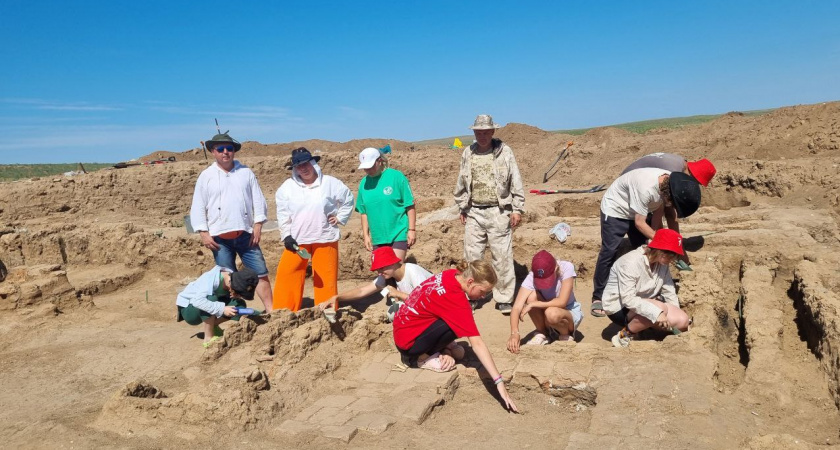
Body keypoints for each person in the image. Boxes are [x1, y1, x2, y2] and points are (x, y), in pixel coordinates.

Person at [392, 260, 518, 412]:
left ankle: (443, 350)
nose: (483, 296)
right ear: (470, 282)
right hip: (409, 345)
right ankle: (422, 358)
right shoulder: (457, 300)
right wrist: (498, 382)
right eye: (483, 291)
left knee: (456, 322)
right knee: (460, 321)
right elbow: (477, 344)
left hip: (403, 328)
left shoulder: (451, 274)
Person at [590, 167, 700, 317]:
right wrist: (664, 243)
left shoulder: (668, 184)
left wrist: (655, 241)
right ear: (668, 196)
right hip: (616, 209)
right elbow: (640, 223)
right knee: (610, 251)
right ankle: (598, 296)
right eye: (672, 204)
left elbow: (657, 216)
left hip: (637, 210)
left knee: (646, 252)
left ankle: (644, 292)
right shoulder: (646, 188)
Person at [189, 132, 273, 313]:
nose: (225, 152)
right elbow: (198, 205)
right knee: (227, 279)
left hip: (246, 235)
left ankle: (270, 309)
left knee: (260, 273)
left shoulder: (245, 173)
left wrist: (258, 224)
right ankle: (231, 313)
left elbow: (258, 200)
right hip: (219, 240)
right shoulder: (206, 176)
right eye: (221, 149)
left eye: (229, 148)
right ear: (213, 151)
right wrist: (203, 232)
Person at [453, 114, 525, 315]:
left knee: (501, 257)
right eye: (478, 132)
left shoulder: (505, 152)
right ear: (474, 133)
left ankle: (503, 297)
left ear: (493, 131)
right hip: (474, 211)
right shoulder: (468, 152)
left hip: (499, 211)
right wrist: (462, 206)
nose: (482, 136)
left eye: (486, 132)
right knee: (472, 256)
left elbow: (515, 180)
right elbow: (461, 180)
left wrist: (517, 209)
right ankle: (471, 295)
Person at [273, 148, 354, 312]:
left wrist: (340, 217)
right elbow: (283, 214)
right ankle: (283, 313)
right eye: (298, 166)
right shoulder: (286, 188)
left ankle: (327, 312)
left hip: (325, 238)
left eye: (306, 164)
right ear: (294, 169)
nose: (303, 168)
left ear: (313, 163)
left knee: (326, 278)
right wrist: (286, 236)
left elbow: (348, 199)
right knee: (288, 274)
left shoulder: (330, 183)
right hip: (297, 240)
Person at [602, 229, 691, 348]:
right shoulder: (630, 262)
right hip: (620, 307)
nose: (673, 259)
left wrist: (675, 312)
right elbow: (628, 299)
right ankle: (623, 336)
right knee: (659, 308)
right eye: (671, 255)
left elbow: (668, 290)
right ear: (660, 251)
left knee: (682, 320)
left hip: (645, 302)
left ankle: (644, 329)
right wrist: (656, 313)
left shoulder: (662, 263)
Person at [320, 246, 432, 316]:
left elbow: (428, 301)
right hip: (422, 310)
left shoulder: (412, 271)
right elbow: (362, 291)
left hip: (438, 309)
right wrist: (337, 297)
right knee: (393, 313)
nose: (379, 272)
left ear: (393, 262)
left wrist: (398, 294)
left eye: (382, 268)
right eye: (378, 269)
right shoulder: (388, 275)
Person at [507, 250, 582, 353]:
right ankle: (543, 333)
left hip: (567, 311)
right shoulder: (531, 277)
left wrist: (534, 304)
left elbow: (562, 302)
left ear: (556, 268)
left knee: (551, 312)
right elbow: (516, 307)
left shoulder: (567, 267)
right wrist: (514, 333)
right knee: (531, 296)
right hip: (547, 311)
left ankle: (565, 335)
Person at [356, 147, 417, 262]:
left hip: (398, 232)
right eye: (365, 168)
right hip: (378, 236)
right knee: (384, 273)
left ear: (380, 161)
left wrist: (411, 230)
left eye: (371, 166)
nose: (368, 170)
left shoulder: (396, 177)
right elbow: (364, 212)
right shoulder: (363, 183)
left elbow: (410, 205)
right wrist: (366, 235)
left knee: (395, 269)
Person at [176, 266, 259, 348]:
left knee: (239, 303)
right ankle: (208, 338)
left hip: (205, 304)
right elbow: (198, 302)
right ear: (232, 284)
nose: (238, 295)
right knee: (211, 298)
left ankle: (213, 324)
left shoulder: (231, 277)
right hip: (189, 310)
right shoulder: (210, 279)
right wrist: (222, 308)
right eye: (238, 292)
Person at [621, 153, 717, 187]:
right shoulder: (673, 171)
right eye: (695, 182)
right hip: (627, 183)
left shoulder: (679, 161)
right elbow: (670, 212)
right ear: (693, 176)